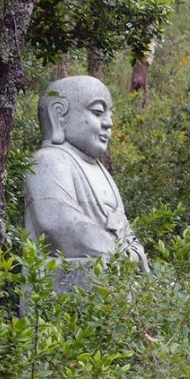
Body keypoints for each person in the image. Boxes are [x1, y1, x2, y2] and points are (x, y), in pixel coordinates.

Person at [24, 75, 148, 290]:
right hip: (60, 278)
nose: (108, 123)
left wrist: (134, 250)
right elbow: (58, 223)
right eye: (98, 112)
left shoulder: (100, 171)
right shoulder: (49, 160)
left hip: (107, 269)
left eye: (110, 114)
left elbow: (122, 226)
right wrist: (118, 253)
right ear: (59, 114)